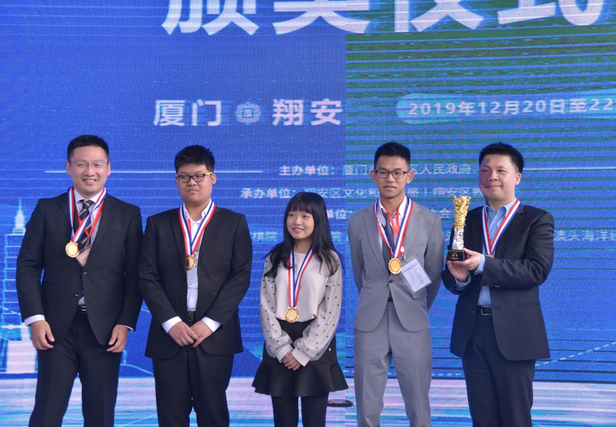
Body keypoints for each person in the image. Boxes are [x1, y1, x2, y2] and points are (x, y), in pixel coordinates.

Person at [16, 135, 143, 427]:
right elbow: (27, 266)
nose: (90, 171)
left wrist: (125, 323)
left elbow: (136, 275)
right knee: (47, 413)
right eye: (82, 164)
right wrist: (35, 319)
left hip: (105, 330)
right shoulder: (47, 209)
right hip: (55, 328)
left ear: (108, 168)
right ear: (68, 167)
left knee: (100, 416)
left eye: (97, 164)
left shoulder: (127, 214)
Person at [139, 144, 252, 427]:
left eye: (199, 175)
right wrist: (171, 323)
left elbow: (239, 278)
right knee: (171, 418)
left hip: (214, 337)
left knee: (213, 416)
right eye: (184, 176)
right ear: (176, 180)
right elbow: (147, 277)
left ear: (213, 178)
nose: (192, 182)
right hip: (169, 337)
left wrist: (210, 323)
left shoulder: (234, 223)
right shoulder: (158, 224)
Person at [442, 142, 554, 427]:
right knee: (482, 418)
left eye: (501, 170)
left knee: (515, 417)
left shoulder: (536, 219)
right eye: (485, 170)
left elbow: (536, 270)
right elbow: (453, 276)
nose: (492, 176)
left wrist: (482, 263)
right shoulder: (465, 219)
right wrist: (459, 278)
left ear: (517, 177)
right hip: (472, 330)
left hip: (514, 333)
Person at [348, 142, 444, 427]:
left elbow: (432, 276)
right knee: (367, 408)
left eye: (398, 172)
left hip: (412, 320)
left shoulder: (429, 220)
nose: (390, 178)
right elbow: (360, 273)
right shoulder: (358, 221)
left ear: (409, 176)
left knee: (418, 407)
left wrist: (415, 304)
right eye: (383, 172)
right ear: (373, 175)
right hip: (371, 320)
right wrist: (377, 297)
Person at [252, 192, 348, 427]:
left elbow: (330, 311)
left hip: (316, 344)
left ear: (318, 220)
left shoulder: (330, 260)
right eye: (292, 214)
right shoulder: (275, 257)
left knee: (315, 422)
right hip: (279, 342)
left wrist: (304, 351)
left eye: (305, 216)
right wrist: (281, 348)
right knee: (283, 422)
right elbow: (266, 305)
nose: (297, 221)